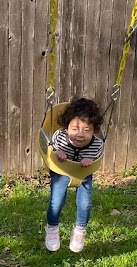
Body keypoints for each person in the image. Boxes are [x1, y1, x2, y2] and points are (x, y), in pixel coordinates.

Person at [44, 98, 105, 254]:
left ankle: (80, 230)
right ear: (66, 128)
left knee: (85, 204)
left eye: (87, 130)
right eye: (75, 129)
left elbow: (97, 155)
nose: (80, 134)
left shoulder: (97, 144)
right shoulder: (59, 137)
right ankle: (52, 228)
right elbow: (51, 147)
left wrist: (90, 160)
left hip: (83, 173)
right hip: (61, 170)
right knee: (56, 202)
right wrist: (58, 152)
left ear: (94, 130)